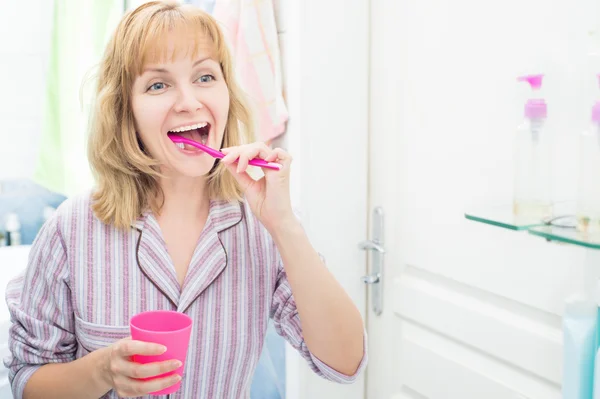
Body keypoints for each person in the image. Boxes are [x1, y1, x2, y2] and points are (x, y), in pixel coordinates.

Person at [4, 1, 367, 398]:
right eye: (158, 84)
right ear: (126, 111)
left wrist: (284, 224)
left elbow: (345, 363)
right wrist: (102, 370)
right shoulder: (71, 228)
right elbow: (27, 381)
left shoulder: (261, 227)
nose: (189, 101)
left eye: (205, 76)